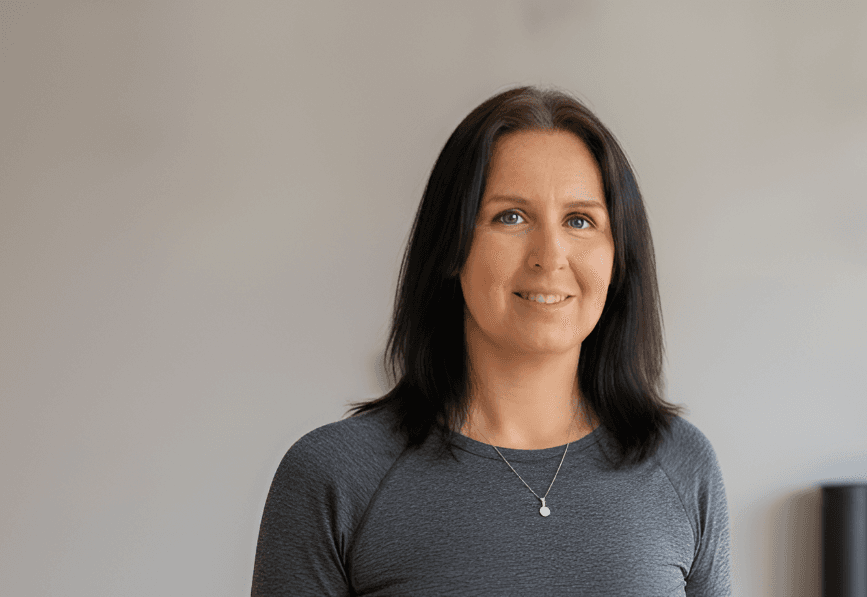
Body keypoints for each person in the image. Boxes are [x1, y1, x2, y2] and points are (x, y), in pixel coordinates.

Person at [251, 86, 732, 596]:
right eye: (511, 216)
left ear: (619, 258)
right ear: (451, 246)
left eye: (580, 220)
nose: (550, 255)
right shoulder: (333, 477)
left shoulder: (683, 466)